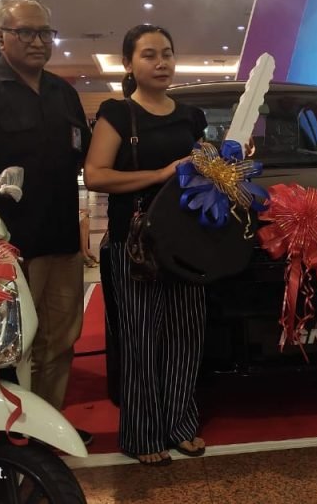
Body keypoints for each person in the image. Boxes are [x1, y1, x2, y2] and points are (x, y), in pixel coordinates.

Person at [0, 0, 93, 445]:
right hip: (6, 248)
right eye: (25, 32)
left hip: (61, 240)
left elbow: (82, 164)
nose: (38, 41)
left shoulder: (64, 93)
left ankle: (48, 429)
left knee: (61, 339)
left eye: (45, 32)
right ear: (0, 37)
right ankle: (11, 435)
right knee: (12, 345)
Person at [83, 24, 208, 466]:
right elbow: (95, 175)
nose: (161, 63)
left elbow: (201, 171)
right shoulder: (118, 113)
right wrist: (160, 174)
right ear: (128, 64)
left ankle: (181, 425)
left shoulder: (191, 115)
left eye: (167, 53)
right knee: (139, 339)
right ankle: (142, 433)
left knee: (185, 337)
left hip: (186, 240)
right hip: (135, 243)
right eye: (149, 55)